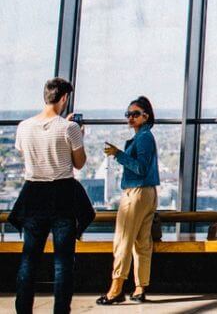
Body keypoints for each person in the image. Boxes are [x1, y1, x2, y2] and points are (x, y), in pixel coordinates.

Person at [10, 78, 95, 314]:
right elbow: (79, 163)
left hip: (33, 194)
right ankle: (60, 311)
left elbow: (23, 152)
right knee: (63, 263)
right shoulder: (70, 128)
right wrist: (78, 135)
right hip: (62, 195)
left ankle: (23, 309)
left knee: (29, 260)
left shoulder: (23, 126)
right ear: (65, 98)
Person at [96, 96, 160, 305]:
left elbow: (140, 167)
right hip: (148, 193)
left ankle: (116, 289)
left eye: (135, 114)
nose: (130, 118)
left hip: (136, 194)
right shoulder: (145, 137)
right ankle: (140, 287)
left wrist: (118, 154)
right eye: (128, 114)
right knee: (142, 242)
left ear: (146, 116)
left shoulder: (143, 138)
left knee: (123, 240)